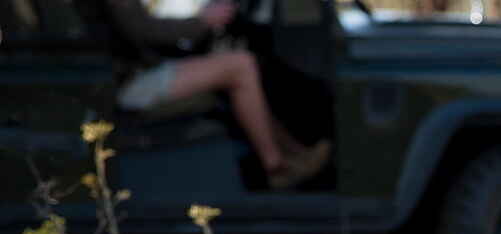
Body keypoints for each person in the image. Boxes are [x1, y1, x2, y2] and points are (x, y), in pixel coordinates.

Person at [94, 0, 331, 190]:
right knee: (241, 67)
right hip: (132, 83)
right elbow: (142, 30)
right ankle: (275, 168)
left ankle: (293, 154)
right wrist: (203, 22)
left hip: (140, 70)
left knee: (238, 67)